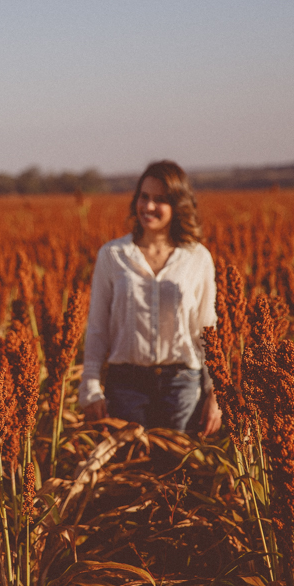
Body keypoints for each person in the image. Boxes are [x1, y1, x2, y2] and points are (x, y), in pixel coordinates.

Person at [79, 160, 222, 435]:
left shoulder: (197, 258)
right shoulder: (112, 255)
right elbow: (97, 328)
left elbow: (207, 329)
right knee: (130, 474)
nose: (149, 207)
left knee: (178, 474)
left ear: (178, 205)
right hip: (125, 387)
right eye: (144, 197)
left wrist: (215, 392)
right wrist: (90, 387)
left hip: (182, 385)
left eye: (160, 200)